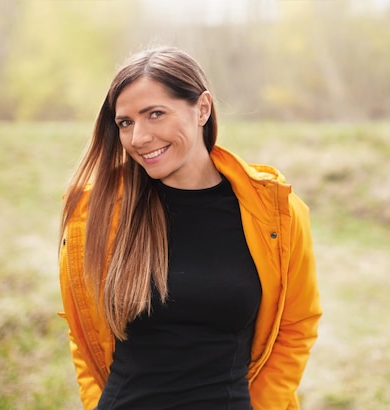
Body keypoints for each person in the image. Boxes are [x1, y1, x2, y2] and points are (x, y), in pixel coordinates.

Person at [58, 46, 322, 410]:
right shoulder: (98, 212)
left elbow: (296, 327)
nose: (138, 138)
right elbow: (83, 334)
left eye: (155, 114)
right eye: (126, 123)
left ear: (202, 109)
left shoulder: (276, 213)